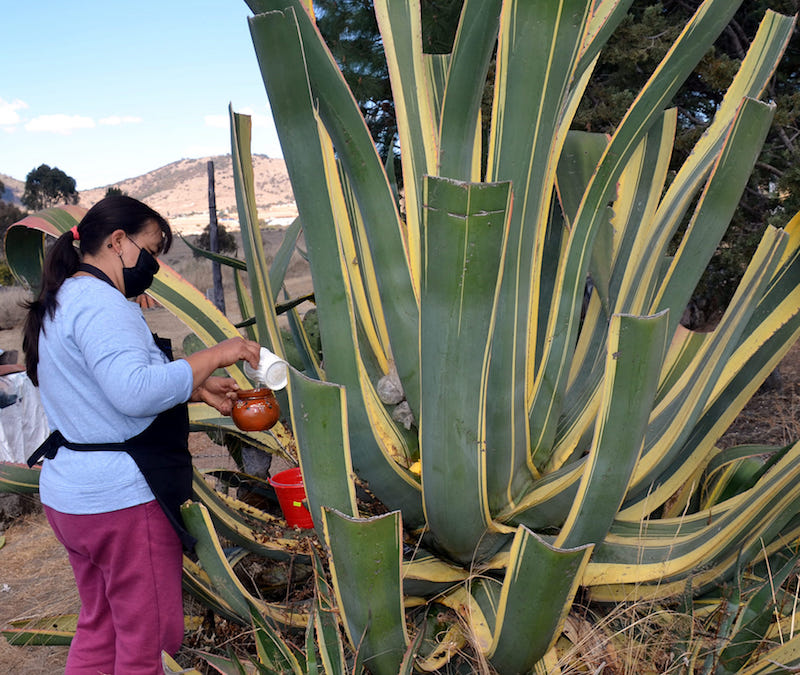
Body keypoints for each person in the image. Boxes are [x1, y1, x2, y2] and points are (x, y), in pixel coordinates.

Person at [22, 195, 262, 675]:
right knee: (149, 645)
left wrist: (193, 387)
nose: (155, 264)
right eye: (151, 250)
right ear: (117, 242)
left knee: (102, 628)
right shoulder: (102, 304)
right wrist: (219, 353)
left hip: (73, 497)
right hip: (121, 503)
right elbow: (133, 392)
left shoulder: (65, 297)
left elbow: (100, 391)